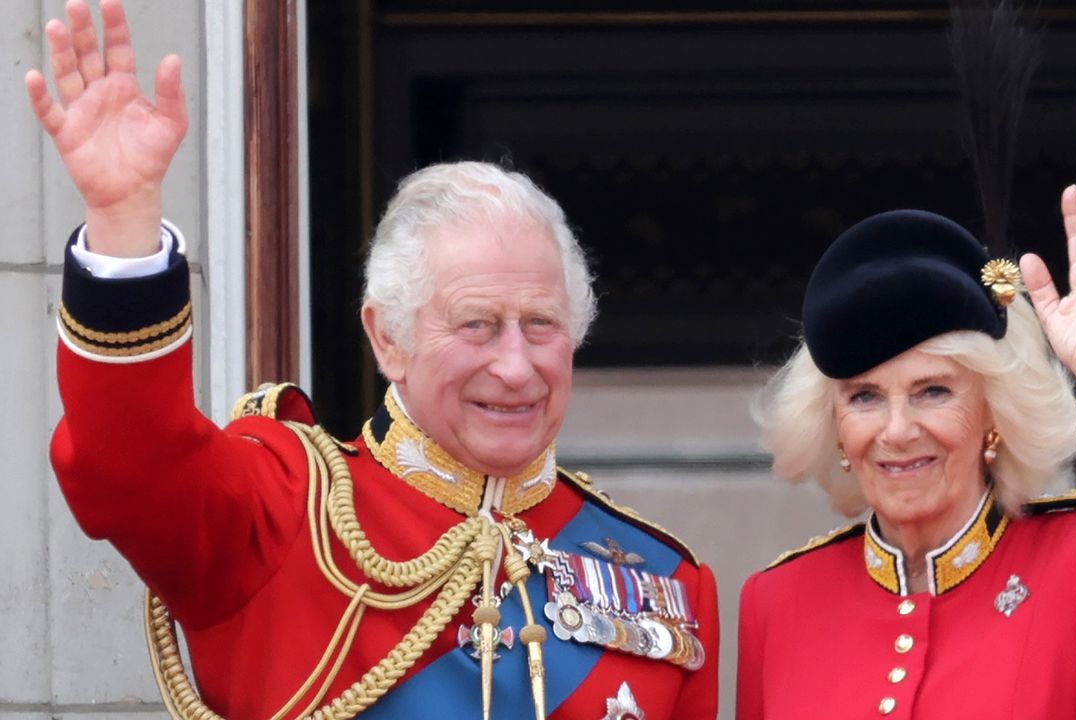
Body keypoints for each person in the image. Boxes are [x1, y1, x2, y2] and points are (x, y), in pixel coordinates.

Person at [29, 1, 717, 718]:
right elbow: (129, 462)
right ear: (387, 338)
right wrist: (123, 220)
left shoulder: (668, 581)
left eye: (540, 324)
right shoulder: (284, 509)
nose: (516, 367)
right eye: (477, 325)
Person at [736, 181, 1076, 718]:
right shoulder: (778, 600)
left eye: (934, 391)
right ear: (834, 425)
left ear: (993, 413)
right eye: (865, 397)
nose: (897, 431)